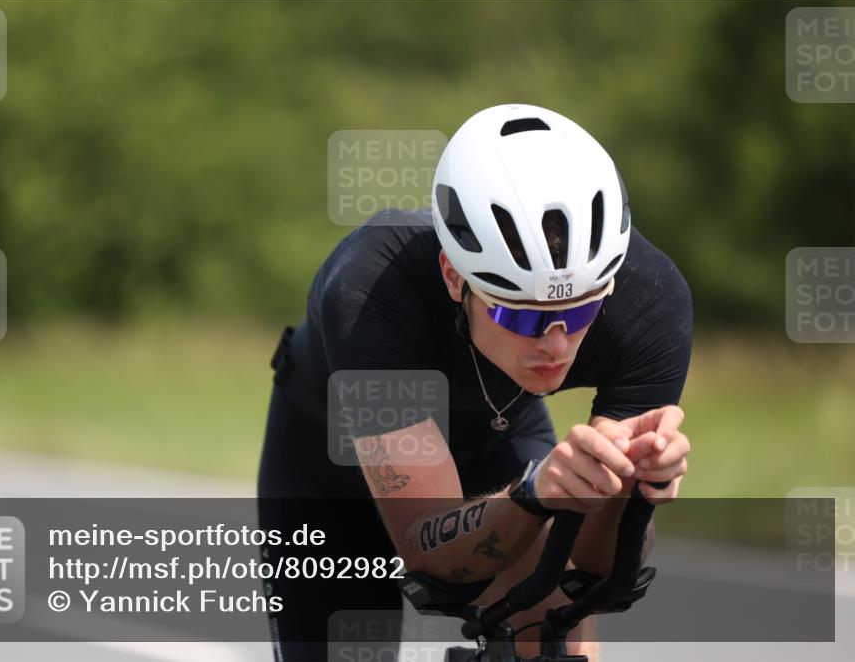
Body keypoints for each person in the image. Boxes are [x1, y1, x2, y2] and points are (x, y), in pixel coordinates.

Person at [258, 104, 693, 662]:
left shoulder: (649, 302)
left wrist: (629, 490)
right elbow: (430, 557)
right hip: (327, 464)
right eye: (522, 316)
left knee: (550, 629)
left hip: (496, 431)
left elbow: (596, 567)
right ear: (452, 276)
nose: (556, 344)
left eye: (581, 313)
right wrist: (531, 497)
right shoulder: (370, 292)